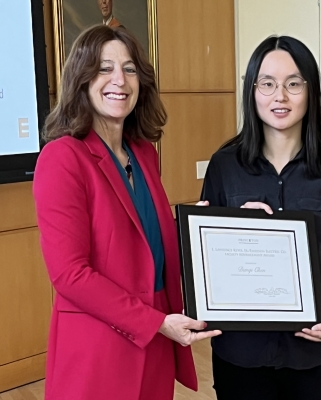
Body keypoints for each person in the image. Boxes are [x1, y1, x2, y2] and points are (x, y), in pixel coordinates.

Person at [33, 25, 221, 400]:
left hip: (155, 336)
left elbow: (137, 236)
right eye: (104, 68)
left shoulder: (143, 153)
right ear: (81, 79)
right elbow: (69, 274)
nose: (119, 79)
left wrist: (214, 226)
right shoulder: (62, 158)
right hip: (100, 345)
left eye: (130, 68)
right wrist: (155, 322)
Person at [200, 35, 321, 400]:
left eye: (293, 83)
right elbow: (207, 262)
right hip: (241, 354)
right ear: (252, 90)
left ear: (310, 90)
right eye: (267, 84)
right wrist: (234, 231)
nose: (280, 96)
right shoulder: (224, 166)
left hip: (313, 351)